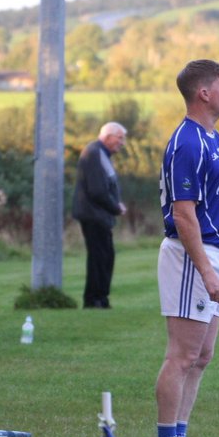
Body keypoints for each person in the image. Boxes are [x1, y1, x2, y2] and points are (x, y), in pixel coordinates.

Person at [153, 59, 219, 437]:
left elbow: (215, 206)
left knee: (203, 355)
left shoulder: (212, 137)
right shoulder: (187, 142)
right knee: (182, 355)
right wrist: (205, 269)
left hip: (213, 254)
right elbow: (184, 214)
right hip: (190, 257)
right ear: (203, 92)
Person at [72, 121, 127, 309]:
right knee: (99, 258)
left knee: (105, 256)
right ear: (107, 136)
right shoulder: (95, 153)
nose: (122, 143)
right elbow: (97, 190)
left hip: (99, 216)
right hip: (94, 216)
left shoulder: (101, 153)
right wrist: (116, 207)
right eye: (120, 138)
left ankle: (101, 298)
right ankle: (94, 300)